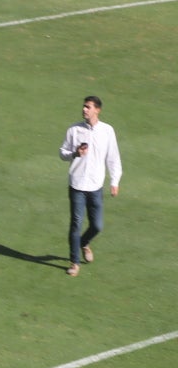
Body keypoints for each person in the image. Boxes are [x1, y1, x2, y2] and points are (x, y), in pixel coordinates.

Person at [60, 94, 121, 276]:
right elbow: (62, 153)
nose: (84, 109)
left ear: (97, 110)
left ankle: (84, 242)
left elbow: (113, 157)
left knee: (97, 226)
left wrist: (114, 181)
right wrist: (74, 154)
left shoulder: (107, 131)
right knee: (76, 224)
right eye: (84, 106)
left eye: (88, 107)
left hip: (95, 187)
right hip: (77, 185)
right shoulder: (74, 130)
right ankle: (74, 262)